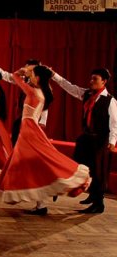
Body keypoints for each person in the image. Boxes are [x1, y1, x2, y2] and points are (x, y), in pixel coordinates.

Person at [0, 66, 90, 214]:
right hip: (30, 129)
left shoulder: (33, 92)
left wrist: (22, 70)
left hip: (29, 131)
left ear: (38, 78)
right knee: (36, 164)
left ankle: (41, 194)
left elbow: (15, 76)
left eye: (32, 74)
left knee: (33, 163)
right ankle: (41, 203)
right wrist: (29, 71)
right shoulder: (41, 92)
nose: (30, 77)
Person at [51, 67, 117, 214]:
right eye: (91, 78)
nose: (91, 81)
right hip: (87, 137)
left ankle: (98, 204)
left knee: (98, 171)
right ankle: (90, 194)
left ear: (104, 82)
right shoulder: (87, 94)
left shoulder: (110, 100)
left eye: (95, 79)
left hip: (100, 140)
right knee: (80, 166)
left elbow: (114, 123)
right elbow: (69, 87)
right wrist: (54, 75)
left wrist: (112, 142)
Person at [0, 58, 46, 144]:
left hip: (33, 116)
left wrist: (43, 121)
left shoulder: (41, 85)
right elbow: (8, 76)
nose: (26, 71)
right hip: (22, 114)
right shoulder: (24, 79)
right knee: (16, 134)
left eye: (29, 69)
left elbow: (45, 103)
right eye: (26, 68)